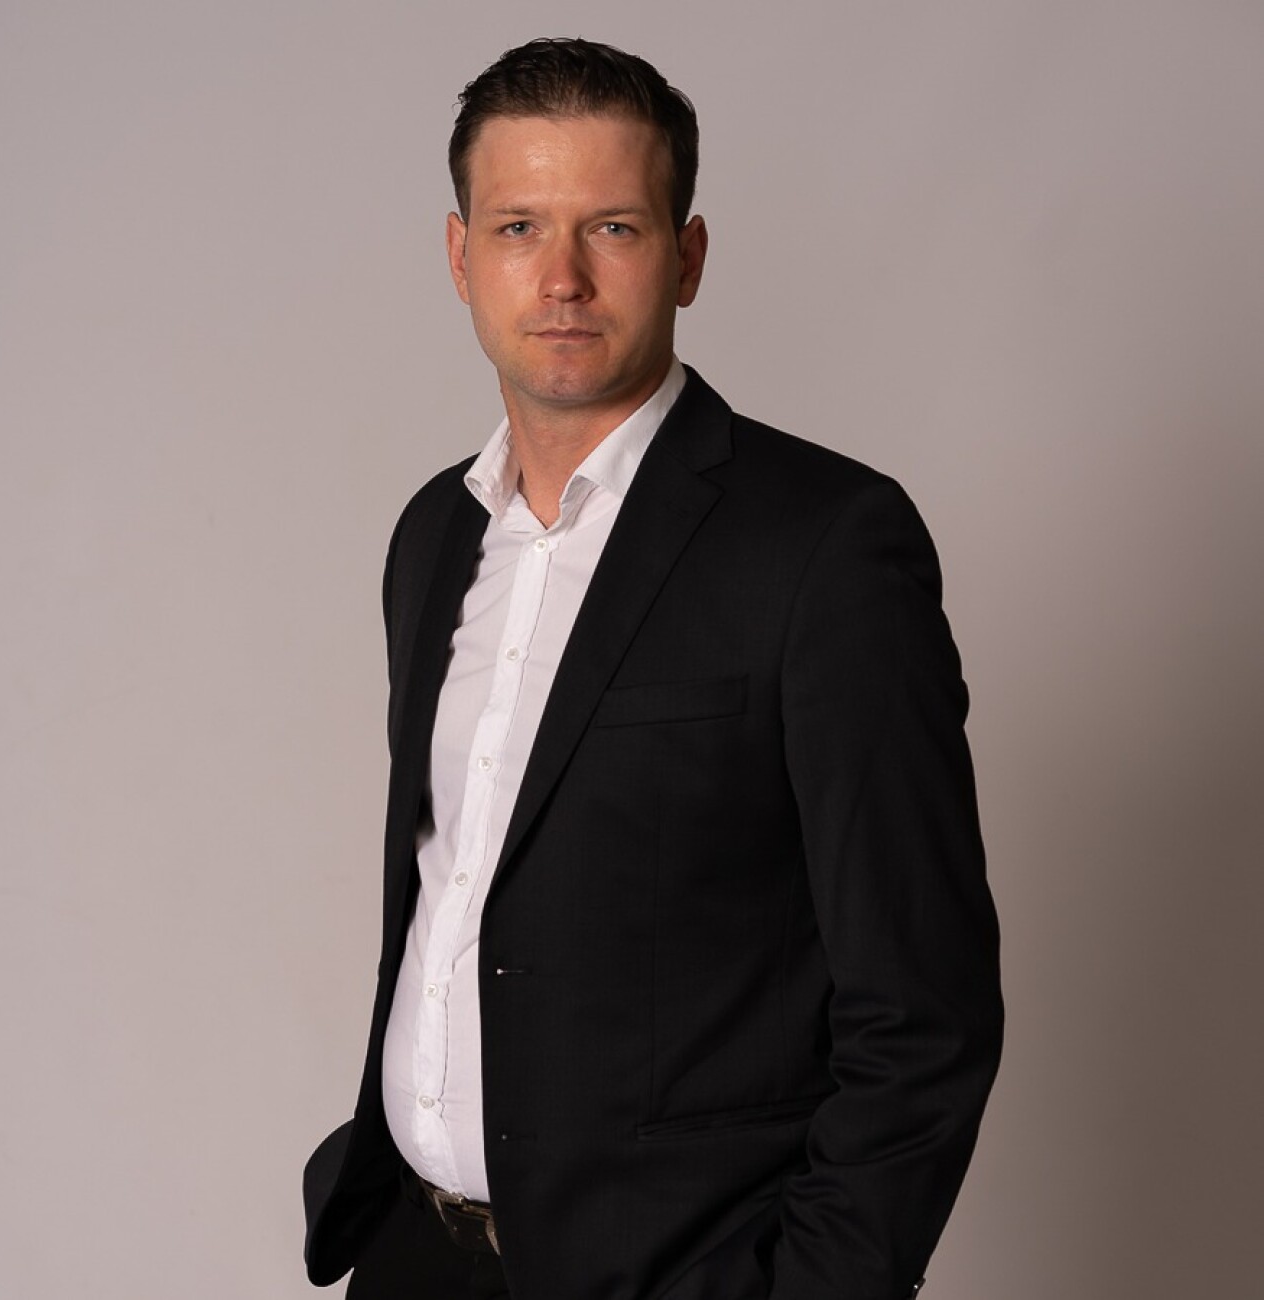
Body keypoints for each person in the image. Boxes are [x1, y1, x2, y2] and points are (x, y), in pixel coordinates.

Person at [303, 36, 1002, 1300]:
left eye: (612, 227)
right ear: (460, 257)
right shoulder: (434, 535)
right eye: (518, 226)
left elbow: (924, 1009)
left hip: (680, 1274)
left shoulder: (825, 547)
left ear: (686, 256)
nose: (561, 277)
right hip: (414, 1259)